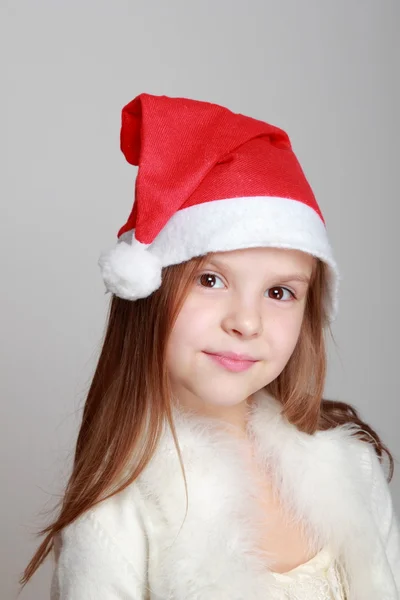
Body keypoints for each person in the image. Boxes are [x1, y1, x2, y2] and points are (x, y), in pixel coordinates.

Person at [20, 93, 400, 599]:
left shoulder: (353, 468)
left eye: (280, 292)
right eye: (211, 279)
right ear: (150, 288)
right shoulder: (116, 516)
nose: (246, 321)